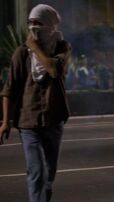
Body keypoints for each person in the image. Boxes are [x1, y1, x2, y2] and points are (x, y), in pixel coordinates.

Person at [0, 4, 71, 202]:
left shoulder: (62, 47)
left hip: (54, 119)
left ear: (50, 25)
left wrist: (35, 47)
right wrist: (5, 122)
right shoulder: (21, 53)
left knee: (49, 175)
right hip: (28, 123)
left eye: (38, 23)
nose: (33, 27)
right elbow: (9, 90)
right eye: (30, 23)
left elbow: (53, 70)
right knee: (36, 171)